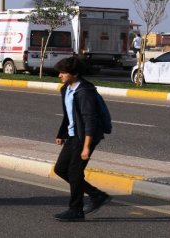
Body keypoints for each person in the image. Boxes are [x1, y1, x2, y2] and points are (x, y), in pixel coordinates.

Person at [52, 57, 111, 222]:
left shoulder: (85, 92)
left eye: (63, 73)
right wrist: (61, 133)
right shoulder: (66, 89)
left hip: (86, 136)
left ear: (75, 74)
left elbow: (89, 121)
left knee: (74, 172)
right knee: (60, 169)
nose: (60, 76)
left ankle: (76, 210)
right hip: (73, 135)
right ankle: (96, 195)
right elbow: (69, 114)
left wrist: (86, 146)